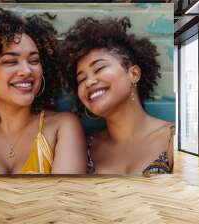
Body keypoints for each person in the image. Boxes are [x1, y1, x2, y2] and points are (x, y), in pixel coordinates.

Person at [0, 7, 86, 174]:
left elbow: (65, 198)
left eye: (34, 60)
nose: (27, 71)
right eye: (11, 62)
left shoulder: (62, 127)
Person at [61, 17, 175, 176]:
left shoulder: (173, 139)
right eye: (81, 79)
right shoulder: (83, 146)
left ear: (133, 74)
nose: (88, 82)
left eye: (99, 68)